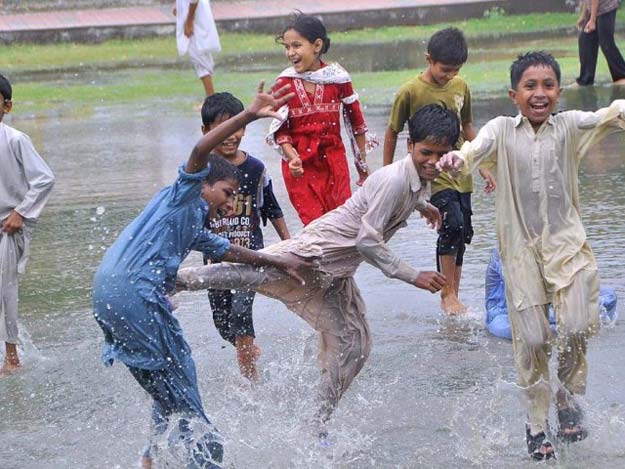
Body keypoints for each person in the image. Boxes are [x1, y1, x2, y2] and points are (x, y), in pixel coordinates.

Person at [177, 104, 456, 441]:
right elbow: (368, 241)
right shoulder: (395, 179)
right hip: (316, 251)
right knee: (249, 271)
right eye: (426, 152)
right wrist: (413, 275)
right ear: (410, 145)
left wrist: (423, 206)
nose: (432, 161)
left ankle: (315, 424)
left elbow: (391, 198)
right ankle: (176, 281)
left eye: (441, 155)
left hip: (337, 268)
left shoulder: (415, 178)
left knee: (356, 345)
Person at [92, 83, 307, 469]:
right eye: (225, 194)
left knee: (166, 382)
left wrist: (280, 263)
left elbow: (233, 252)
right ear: (205, 183)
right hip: (136, 295)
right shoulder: (185, 193)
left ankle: (150, 457)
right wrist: (248, 116)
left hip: (108, 294)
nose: (228, 205)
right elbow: (197, 151)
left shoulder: (192, 223)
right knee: (193, 409)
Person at [437, 51, 625, 460]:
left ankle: (566, 398)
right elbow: (473, 149)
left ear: (558, 92)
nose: (540, 94)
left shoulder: (570, 126)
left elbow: (611, 114)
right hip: (519, 250)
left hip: (567, 245)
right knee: (534, 338)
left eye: (548, 86)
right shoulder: (502, 130)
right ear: (514, 94)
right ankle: (536, 424)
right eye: (530, 86)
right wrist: (458, 158)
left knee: (578, 323)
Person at [382, 27, 495, 315]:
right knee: (450, 225)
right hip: (432, 173)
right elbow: (393, 132)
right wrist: (386, 174)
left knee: (463, 231)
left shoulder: (460, 86)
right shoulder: (410, 91)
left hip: (461, 170)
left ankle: (453, 295)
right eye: (445, 69)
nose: (449, 76)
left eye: (455, 70)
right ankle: (447, 294)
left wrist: (482, 165)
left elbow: (468, 126)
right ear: (428, 59)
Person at [200, 92, 290, 382]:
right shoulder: (200, 172)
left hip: (251, 257)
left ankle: (252, 384)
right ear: (206, 132)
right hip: (215, 259)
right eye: (221, 128)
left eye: (236, 127)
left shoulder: (254, 169)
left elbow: (272, 208)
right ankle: (247, 347)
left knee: (240, 314)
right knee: (224, 325)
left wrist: (288, 245)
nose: (230, 136)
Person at [267, 12, 374, 226]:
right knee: (315, 225)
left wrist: (363, 168)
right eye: (287, 47)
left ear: (317, 45)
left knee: (342, 222)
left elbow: (357, 124)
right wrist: (291, 157)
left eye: (296, 46)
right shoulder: (284, 82)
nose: (290, 53)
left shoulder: (338, 78)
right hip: (300, 166)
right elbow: (280, 129)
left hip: (333, 160)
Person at [0, 73, 55, 376]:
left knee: (6, 290)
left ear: (6, 106)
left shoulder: (16, 140)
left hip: (9, 227)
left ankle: (12, 357)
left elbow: (44, 178)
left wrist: (20, 213)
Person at [174, 0, 221, 96]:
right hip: (192, 12)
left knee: (200, 57)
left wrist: (189, 21)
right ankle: (210, 98)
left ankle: (210, 100)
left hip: (195, 16)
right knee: (199, 57)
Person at [576, 0, 625, 86]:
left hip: (606, 8)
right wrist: (583, 16)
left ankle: (622, 75)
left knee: (606, 43)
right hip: (593, 10)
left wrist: (592, 20)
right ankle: (585, 80)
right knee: (585, 40)